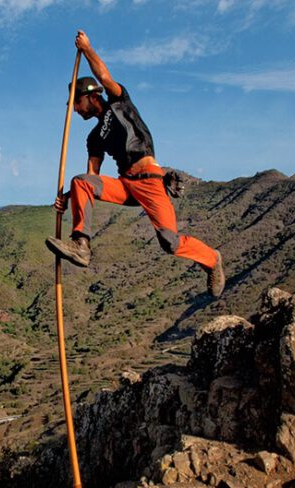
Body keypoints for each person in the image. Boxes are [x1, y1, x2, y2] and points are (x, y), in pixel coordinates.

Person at [46, 30, 225, 297]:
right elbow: (92, 176)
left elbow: (104, 76)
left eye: (77, 103)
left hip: (150, 180)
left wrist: (87, 49)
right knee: (80, 181)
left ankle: (211, 259)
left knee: (169, 242)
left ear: (92, 95)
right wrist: (69, 197)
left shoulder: (119, 103)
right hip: (126, 184)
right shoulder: (94, 137)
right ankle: (81, 245)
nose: (76, 109)